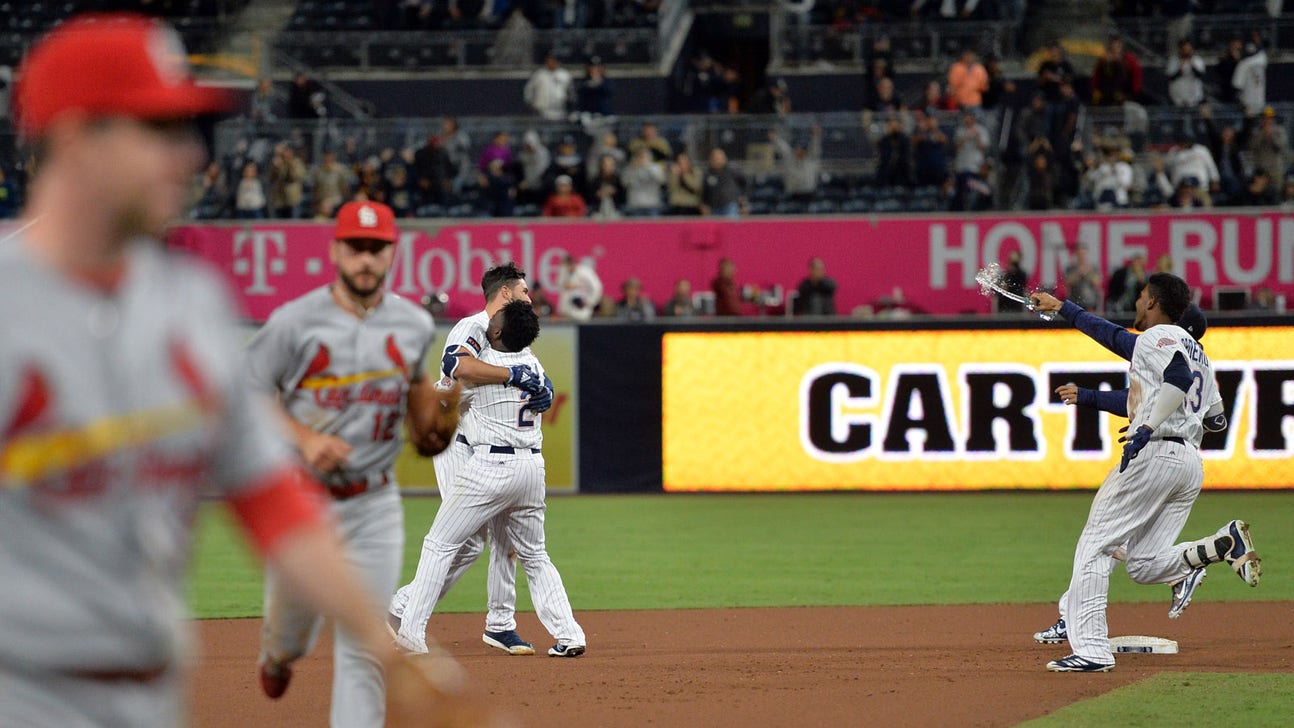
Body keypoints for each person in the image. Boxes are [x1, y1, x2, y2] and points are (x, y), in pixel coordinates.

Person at [0, 14, 479, 727]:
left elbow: (271, 501)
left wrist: (386, 648)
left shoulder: (189, 305)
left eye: (189, 131)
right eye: (157, 130)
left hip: (151, 695)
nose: (188, 156)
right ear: (74, 137)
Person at [246, 199, 460, 725]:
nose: (366, 259)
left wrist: (429, 427)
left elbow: (412, 389)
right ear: (337, 250)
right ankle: (278, 654)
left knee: (366, 648)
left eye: (376, 249)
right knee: (292, 637)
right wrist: (301, 437)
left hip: (373, 504)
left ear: (392, 253)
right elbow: (245, 391)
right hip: (301, 500)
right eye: (357, 248)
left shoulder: (412, 323)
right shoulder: (294, 322)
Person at [1027, 275, 1259, 672]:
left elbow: (1167, 374)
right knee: (1143, 563)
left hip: (1154, 453)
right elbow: (1217, 419)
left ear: (1152, 303)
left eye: (1140, 296)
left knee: (1096, 545)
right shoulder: (1201, 355)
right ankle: (1219, 545)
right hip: (1188, 465)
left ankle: (1092, 650)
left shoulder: (1157, 337)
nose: (1136, 301)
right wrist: (1147, 412)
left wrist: (1149, 424)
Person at [393, 301, 587, 659]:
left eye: (493, 322)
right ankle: (569, 633)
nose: (486, 324)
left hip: (490, 468)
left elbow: (444, 391)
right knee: (535, 554)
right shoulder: (533, 364)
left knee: (439, 545)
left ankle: (411, 633)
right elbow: (543, 392)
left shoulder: (483, 371)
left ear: (497, 332)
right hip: (531, 470)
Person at [523, 53, 573, 121]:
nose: (551, 63)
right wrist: (530, 102)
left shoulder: (565, 74)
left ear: (557, 62)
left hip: (560, 110)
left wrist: (569, 104)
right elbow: (529, 89)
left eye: (553, 61)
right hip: (541, 110)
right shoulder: (539, 74)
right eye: (549, 61)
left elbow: (570, 92)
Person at [557, 254, 603, 322]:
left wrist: (590, 302)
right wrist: (562, 271)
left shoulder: (585, 272)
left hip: (581, 312)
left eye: (567, 265)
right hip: (566, 312)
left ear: (572, 263)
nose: (565, 268)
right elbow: (560, 285)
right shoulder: (565, 274)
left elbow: (597, 287)